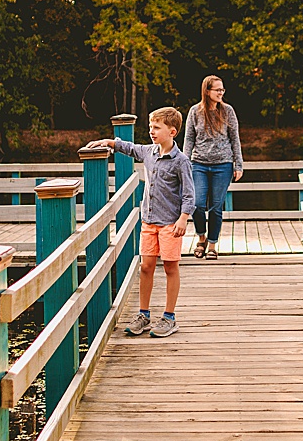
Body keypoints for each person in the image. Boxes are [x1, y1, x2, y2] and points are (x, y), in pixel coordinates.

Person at [83, 107, 194, 338]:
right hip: (148, 221)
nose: (151, 131)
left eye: (156, 127)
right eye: (150, 127)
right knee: (146, 267)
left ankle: (169, 317)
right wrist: (108, 142)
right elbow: (130, 148)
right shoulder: (149, 152)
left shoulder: (180, 161)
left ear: (172, 131)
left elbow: (189, 194)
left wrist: (184, 218)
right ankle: (144, 314)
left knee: (171, 267)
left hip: (170, 223)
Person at [183, 75, 245, 259]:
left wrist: (238, 164)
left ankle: (212, 244)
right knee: (197, 204)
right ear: (207, 91)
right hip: (199, 164)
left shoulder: (228, 111)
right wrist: (185, 163)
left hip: (223, 164)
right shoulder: (195, 112)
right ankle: (200, 238)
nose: (221, 93)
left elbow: (235, 138)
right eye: (217, 90)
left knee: (216, 206)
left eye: (222, 89)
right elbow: (188, 139)